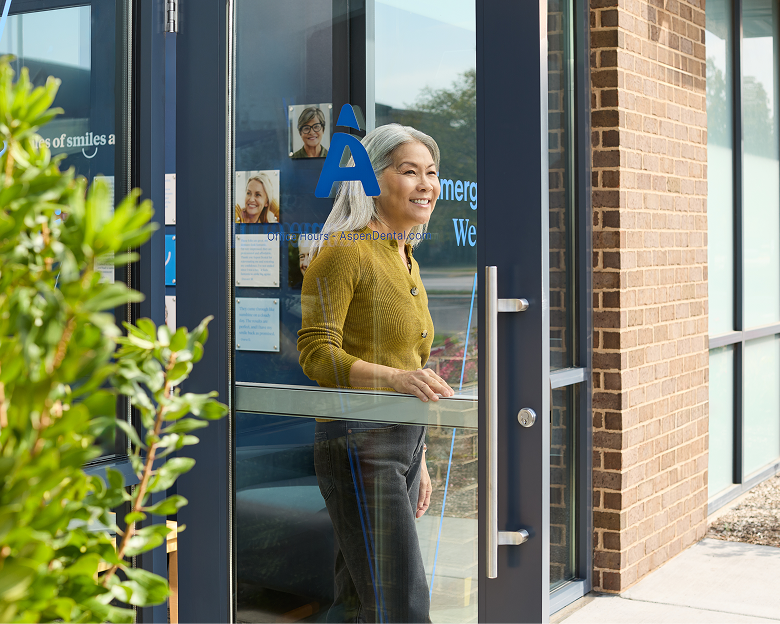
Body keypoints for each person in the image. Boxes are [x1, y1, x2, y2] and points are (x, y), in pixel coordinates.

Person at [297, 124, 454, 624]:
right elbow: (316, 353)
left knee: (358, 603)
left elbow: (413, 365)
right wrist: (394, 380)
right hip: (357, 444)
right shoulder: (345, 250)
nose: (425, 184)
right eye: (409, 171)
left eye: (431, 173)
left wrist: (421, 457)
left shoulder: (406, 256)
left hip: (402, 444)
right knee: (403, 605)